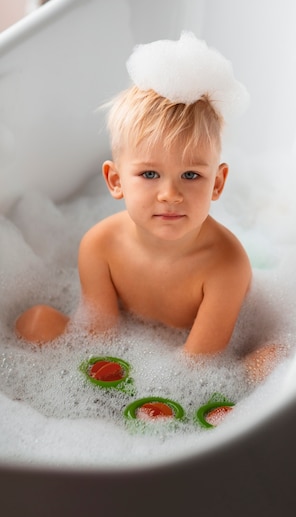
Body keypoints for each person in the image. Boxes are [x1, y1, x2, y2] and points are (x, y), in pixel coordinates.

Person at [15, 32, 276, 376]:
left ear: (218, 182)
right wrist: (105, 378)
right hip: (135, 352)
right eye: (150, 174)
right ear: (115, 181)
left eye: (191, 175)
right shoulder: (100, 245)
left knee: (271, 360)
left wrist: (160, 392)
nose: (170, 194)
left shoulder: (226, 265)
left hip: (193, 362)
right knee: (34, 323)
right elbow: (99, 337)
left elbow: (197, 366)